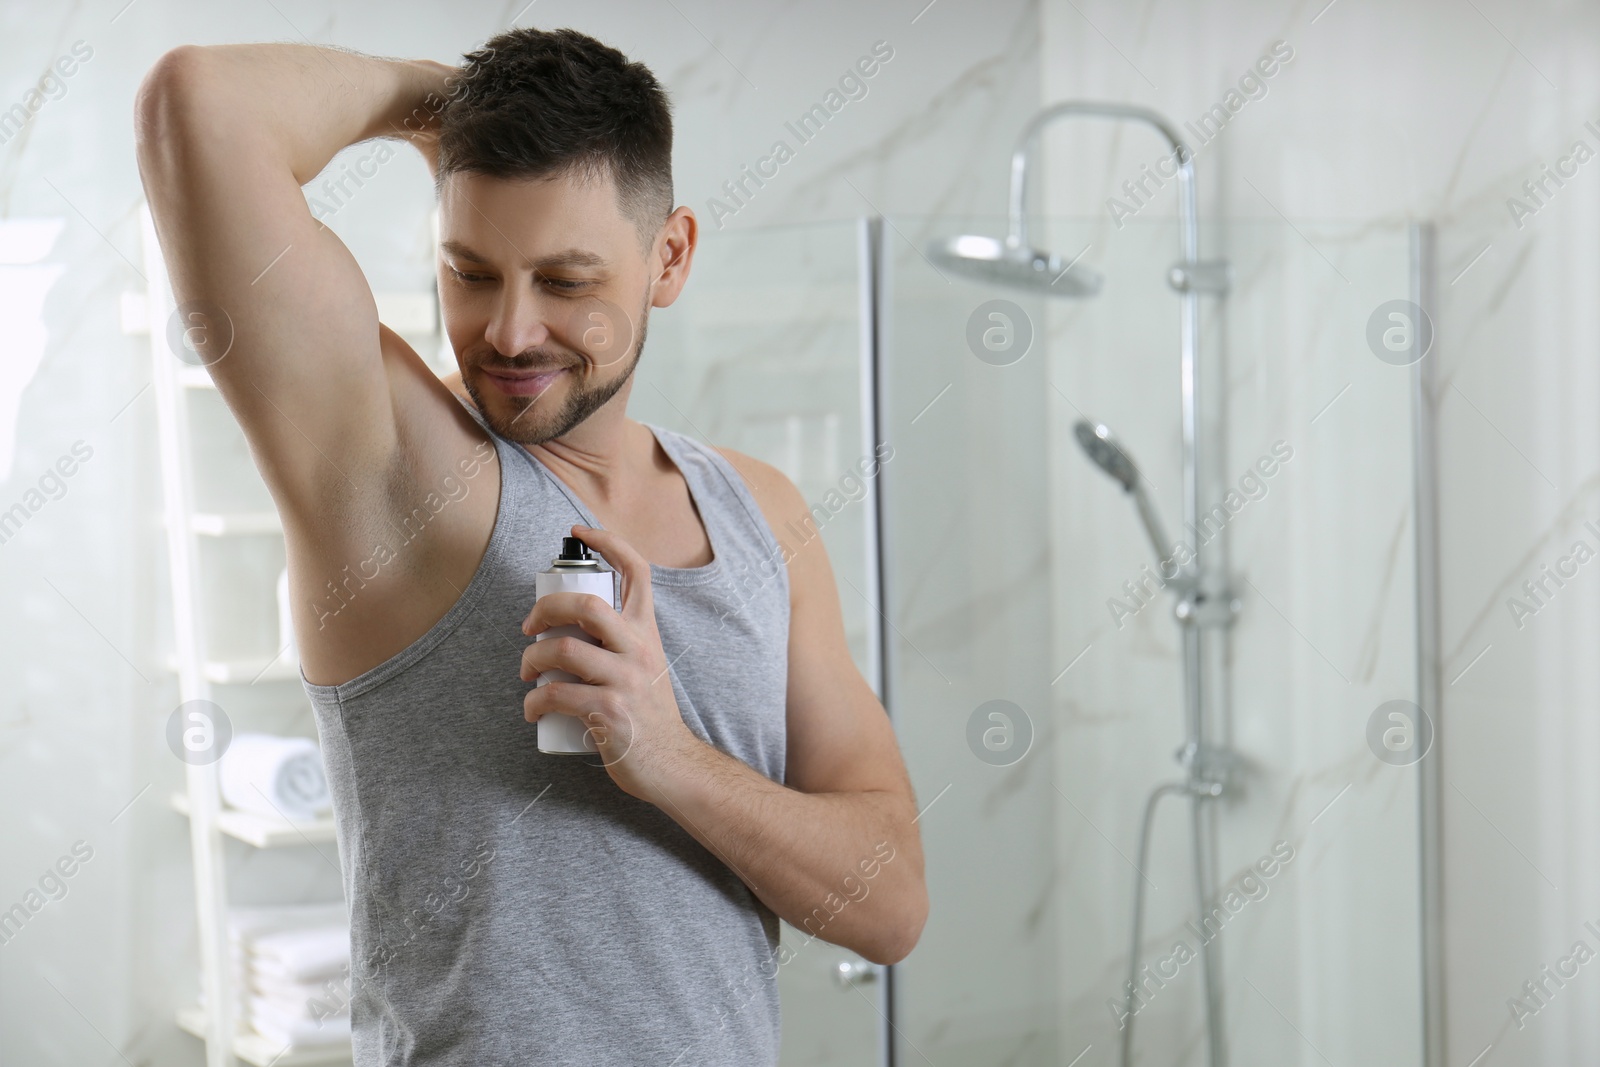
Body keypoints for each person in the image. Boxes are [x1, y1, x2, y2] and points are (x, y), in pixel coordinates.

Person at [134, 24, 927, 1067]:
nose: (508, 330)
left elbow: (891, 900)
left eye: (563, 280)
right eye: (471, 271)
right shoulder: (396, 474)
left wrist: (668, 757)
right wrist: (444, 103)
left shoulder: (760, 511)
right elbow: (197, 101)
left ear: (670, 256)